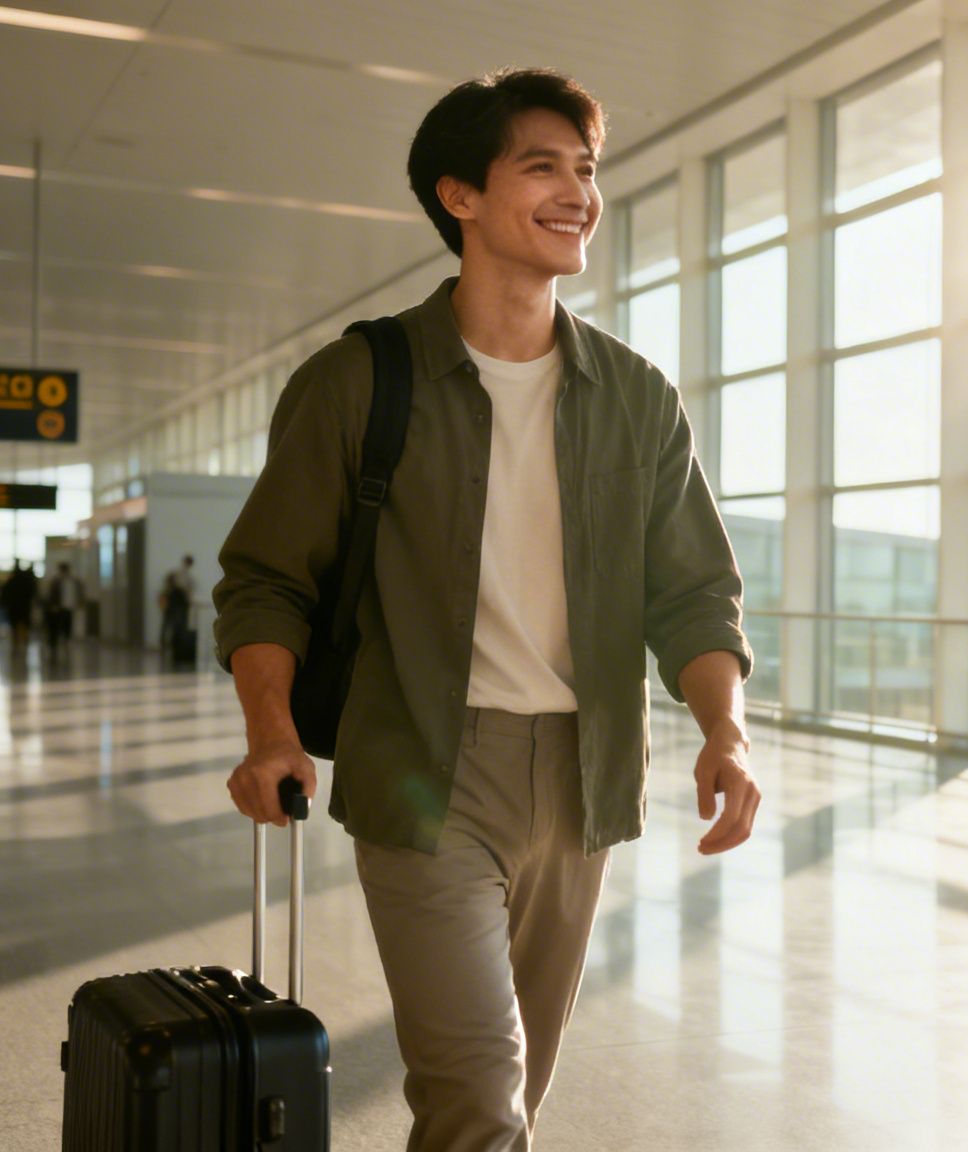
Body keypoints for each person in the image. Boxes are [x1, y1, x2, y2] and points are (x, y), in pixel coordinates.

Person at [214, 69, 758, 1150]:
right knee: (477, 1088)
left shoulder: (634, 396)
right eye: (541, 166)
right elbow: (268, 576)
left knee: (515, 1091)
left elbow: (694, 591)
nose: (578, 193)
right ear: (458, 196)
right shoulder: (361, 381)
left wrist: (724, 730)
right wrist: (271, 733)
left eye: (586, 170)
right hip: (424, 771)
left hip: (582, 778)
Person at [42, 562, 83, 657]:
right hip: (58, 607)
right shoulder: (56, 581)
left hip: (68, 607)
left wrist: (79, 602)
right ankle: (55, 643)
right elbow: (52, 595)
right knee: (56, 625)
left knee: (67, 624)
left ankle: (66, 640)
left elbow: (78, 593)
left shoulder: (74, 581)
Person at [161, 555, 195, 658]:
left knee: (171, 625)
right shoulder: (181, 575)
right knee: (174, 626)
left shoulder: (183, 575)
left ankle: (170, 646)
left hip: (176, 604)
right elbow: (183, 588)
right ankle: (169, 646)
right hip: (176, 604)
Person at [0, 562, 38, 653]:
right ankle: (23, 643)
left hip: (14, 608)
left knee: (15, 627)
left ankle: (16, 644)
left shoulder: (11, 582)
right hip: (24, 607)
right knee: (24, 626)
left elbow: (4, 594)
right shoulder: (27, 582)